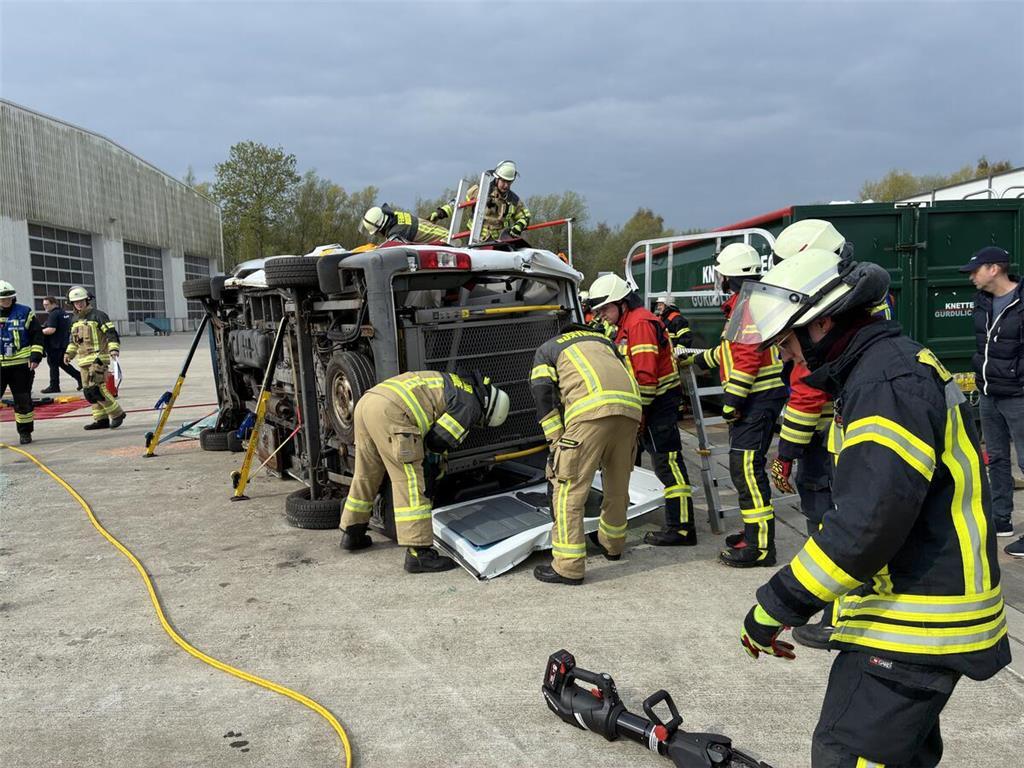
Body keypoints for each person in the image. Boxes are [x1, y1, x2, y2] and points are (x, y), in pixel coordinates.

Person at [732, 247, 1010, 768]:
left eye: (787, 340)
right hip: (921, 608)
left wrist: (776, 605)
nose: (784, 355)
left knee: (847, 753)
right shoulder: (883, 367)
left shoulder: (884, 384)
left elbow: (864, 526)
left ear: (823, 324)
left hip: (918, 619)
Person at [338, 370, 510, 573]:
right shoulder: (470, 405)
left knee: (366, 473)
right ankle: (418, 553)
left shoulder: (457, 384)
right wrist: (434, 464)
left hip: (367, 402)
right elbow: (437, 441)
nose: (479, 423)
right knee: (409, 481)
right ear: (488, 410)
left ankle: (353, 532)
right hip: (392, 412)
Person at [685, 244, 786, 567]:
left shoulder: (746, 305)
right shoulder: (752, 303)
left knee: (746, 470)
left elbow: (746, 358)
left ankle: (759, 547)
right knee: (747, 469)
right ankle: (754, 534)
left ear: (729, 276)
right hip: (763, 396)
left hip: (756, 399)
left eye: (721, 275)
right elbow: (731, 351)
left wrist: (732, 402)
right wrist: (698, 357)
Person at [530, 323, 643, 584]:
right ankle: (612, 546)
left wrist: (556, 440)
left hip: (589, 413)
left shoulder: (549, 349)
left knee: (568, 489)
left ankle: (568, 567)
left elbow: (542, 392)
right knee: (617, 486)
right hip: (630, 413)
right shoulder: (606, 344)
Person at [588, 273, 696, 546]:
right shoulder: (628, 324)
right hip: (649, 403)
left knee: (668, 464)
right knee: (656, 462)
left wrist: (638, 416)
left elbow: (647, 378)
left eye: (605, 309)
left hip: (657, 403)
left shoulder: (640, 324)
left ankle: (682, 528)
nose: (602, 316)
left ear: (623, 303)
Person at [960, 245, 1024, 539]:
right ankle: (1001, 519)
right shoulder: (982, 301)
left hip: (1018, 395)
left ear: (994, 269)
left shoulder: (1021, 301)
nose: (972, 276)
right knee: (996, 458)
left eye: (976, 270)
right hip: (988, 392)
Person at [64, 286, 124, 430]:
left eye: (81, 301)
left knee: (96, 389)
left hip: (98, 358)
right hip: (83, 360)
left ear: (87, 300)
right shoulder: (75, 320)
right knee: (88, 392)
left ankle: (117, 414)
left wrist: (114, 348)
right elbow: (73, 341)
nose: (79, 304)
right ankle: (101, 420)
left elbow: (111, 333)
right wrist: (68, 354)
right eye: (76, 302)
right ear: (72, 304)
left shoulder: (98, 316)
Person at [430, 160, 531, 242]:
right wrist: (441, 212)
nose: (506, 185)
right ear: (497, 178)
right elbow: (458, 202)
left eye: (509, 182)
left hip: (499, 242)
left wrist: (519, 226)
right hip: (474, 238)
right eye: (503, 181)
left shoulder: (513, 200)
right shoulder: (480, 191)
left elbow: (525, 216)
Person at [0, 280, 44, 444]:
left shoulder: (25, 312)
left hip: (21, 366)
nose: (5, 302)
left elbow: (37, 336)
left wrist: (35, 357)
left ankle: (25, 433)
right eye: (2, 299)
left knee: (23, 401)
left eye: (9, 298)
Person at [40, 296, 82, 394]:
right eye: (44, 305)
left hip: (54, 345)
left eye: (47, 305)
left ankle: (54, 386)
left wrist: (38, 332)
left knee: (53, 365)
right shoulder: (63, 313)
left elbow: (51, 330)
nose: (45, 307)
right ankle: (80, 378)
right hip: (63, 343)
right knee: (63, 364)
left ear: (53, 303)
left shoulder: (54, 314)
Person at [360, 204, 450, 244]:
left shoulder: (395, 235)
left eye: (377, 233)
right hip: (447, 236)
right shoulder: (396, 216)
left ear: (381, 227)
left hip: (448, 242)